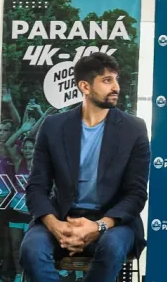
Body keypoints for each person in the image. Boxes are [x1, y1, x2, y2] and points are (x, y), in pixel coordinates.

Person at [20, 52, 150, 282]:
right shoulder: (54, 126)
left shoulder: (134, 129)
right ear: (85, 86)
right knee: (31, 249)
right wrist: (55, 225)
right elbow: (36, 187)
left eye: (116, 79)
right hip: (62, 217)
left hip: (112, 222)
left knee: (111, 247)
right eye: (107, 80)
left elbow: (136, 194)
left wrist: (99, 226)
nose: (116, 87)